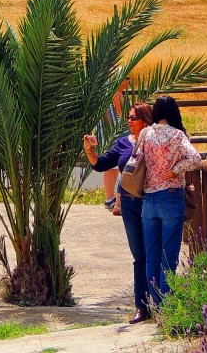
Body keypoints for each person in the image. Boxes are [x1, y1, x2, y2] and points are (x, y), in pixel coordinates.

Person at [83, 102, 154, 323]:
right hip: (130, 206)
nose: (129, 121)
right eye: (129, 118)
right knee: (138, 255)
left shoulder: (153, 141)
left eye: (134, 118)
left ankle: (160, 301)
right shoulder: (123, 143)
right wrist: (89, 150)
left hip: (150, 201)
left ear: (145, 120)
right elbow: (101, 165)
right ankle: (141, 306)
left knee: (154, 251)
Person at [138, 95, 201, 308]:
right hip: (171, 196)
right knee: (169, 255)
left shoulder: (146, 133)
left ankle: (155, 302)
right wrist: (174, 170)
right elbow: (195, 159)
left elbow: (137, 159)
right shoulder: (177, 135)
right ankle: (167, 306)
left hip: (149, 198)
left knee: (152, 255)